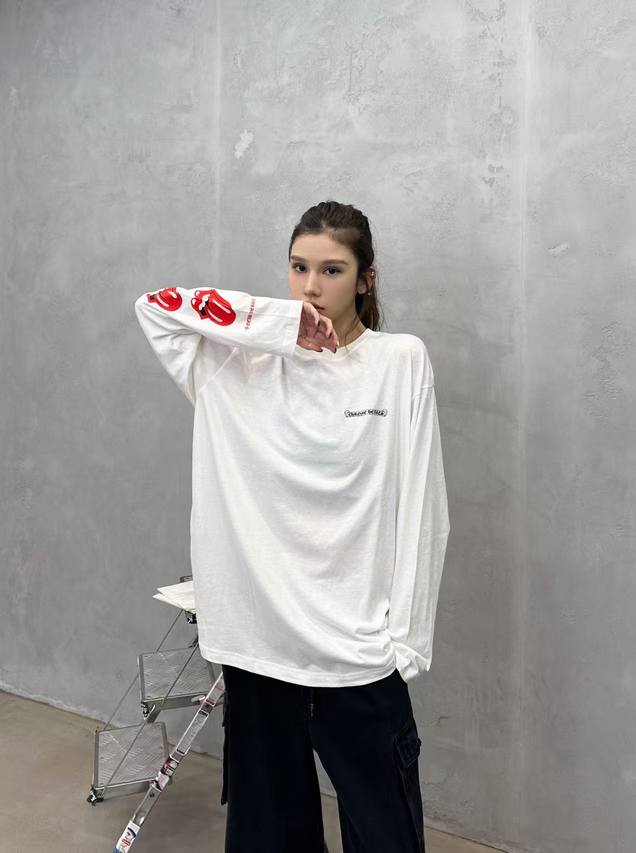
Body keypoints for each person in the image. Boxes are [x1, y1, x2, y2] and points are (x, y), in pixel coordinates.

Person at [134, 200, 451, 853]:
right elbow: (156, 307)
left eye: (332, 270)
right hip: (260, 654)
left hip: (356, 657)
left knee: (388, 837)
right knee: (269, 839)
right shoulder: (238, 365)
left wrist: (404, 644)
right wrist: (279, 327)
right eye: (299, 267)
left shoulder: (399, 361)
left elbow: (426, 509)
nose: (311, 286)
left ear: (365, 279)